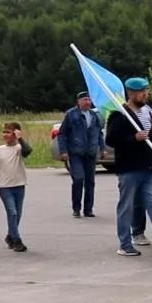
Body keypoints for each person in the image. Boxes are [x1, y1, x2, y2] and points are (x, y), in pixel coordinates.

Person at [105, 77, 152, 257]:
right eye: (142, 92)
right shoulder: (120, 114)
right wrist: (133, 138)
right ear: (131, 93)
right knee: (127, 206)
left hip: (150, 166)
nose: (146, 95)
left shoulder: (148, 109)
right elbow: (111, 139)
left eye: (147, 91)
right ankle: (125, 243)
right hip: (130, 168)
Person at [0, 121, 34, 252]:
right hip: (5, 187)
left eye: (8, 132)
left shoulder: (20, 148)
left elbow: (27, 151)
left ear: (15, 133)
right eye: (4, 132)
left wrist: (20, 138)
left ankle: (10, 236)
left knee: (18, 214)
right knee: (12, 213)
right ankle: (17, 240)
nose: (5, 134)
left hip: (19, 185)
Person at [57, 90, 102, 218]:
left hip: (90, 153)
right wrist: (63, 151)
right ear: (79, 101)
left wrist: (102, 148)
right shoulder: (71, 115)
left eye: (89, 100)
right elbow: (62, 134)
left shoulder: (94, 115)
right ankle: (76, 208)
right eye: (85, 100)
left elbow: (99, 133)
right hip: (76, 153)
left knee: (90, 182)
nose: (88, 102)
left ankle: (88, 209)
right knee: (78, 179)